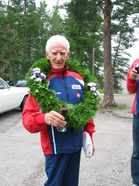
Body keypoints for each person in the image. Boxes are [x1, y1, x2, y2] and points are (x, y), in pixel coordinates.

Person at [22, 35, 95, 186]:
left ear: (68, 55)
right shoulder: (41, 82)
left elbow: (86, 112)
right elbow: (27, 118)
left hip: (75, 148)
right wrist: (44, 118)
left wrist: (90, 137)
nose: (58, 58)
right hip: (55, 150)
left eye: (62, 53)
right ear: (47, 55)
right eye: (54, 53)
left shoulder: (79, 79)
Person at [127, 58, 139, 186]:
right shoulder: (137, 63)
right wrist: (132, 78)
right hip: (138, 115)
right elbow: (130, 89)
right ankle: (136, 181)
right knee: (137, 151)